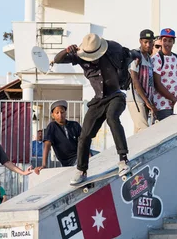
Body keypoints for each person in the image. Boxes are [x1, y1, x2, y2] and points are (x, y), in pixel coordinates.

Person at [53, 33, 132, 185]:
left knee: (112, 118)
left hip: (116, 96)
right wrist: (66, 50)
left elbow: (128, 54)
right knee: (84, 135)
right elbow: (58, 60)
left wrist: (125, 73)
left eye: (95, 56)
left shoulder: (112, 48)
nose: (93, 59)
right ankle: (81, 170)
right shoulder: (80, 55)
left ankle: (123, 160)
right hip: (98, 101)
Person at [151, 28, 177, 121]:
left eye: (170, 41)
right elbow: (157, 84)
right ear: (161, 41)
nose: (167, 43)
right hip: (162, 104)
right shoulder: (157, 59)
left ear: (173, 42)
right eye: (165, 40)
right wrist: (173, 99)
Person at [128, 29, 157, 132]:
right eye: (145, 42)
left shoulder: (149, 58)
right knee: (144, 131)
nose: (148, 45)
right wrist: (147, 101)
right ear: (140, 41)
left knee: (138, 133)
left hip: (145, 99)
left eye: (150, 42)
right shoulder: (136, 55)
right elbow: (135, 81)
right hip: (136, 98)